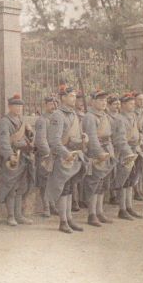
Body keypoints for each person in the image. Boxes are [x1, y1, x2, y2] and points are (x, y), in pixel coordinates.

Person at [45, 85, 88, 233]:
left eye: (75, 96)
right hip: (62, 158)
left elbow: (74, 137)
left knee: (70, 188)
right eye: (71, 96)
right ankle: (63, 221)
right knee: (63, 189)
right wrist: (65, 153)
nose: (74, 99)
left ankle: (69, 218)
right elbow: (54, 141)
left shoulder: (74, 115)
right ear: (63, 97)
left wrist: (83, 139)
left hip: (73, 156)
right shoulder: (58, 115)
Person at [0, 93, 35, 226]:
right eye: (15, 106)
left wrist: (30, 133)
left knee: (21, 187)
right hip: (12, 158)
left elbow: (28, 139)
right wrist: (9, 155)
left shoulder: (22, 121)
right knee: (11, 187)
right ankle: (10, 216)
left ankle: (19, 215)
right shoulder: (5, 121)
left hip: (24, 158)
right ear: (9, 106)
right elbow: (3, 142)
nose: (18, 109)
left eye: (20, 106)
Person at [82, 89, 116, 226]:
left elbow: (109, 135)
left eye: (105, 100)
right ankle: (91, 214)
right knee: (93, 184)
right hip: (96, 153)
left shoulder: (105, 116)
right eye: (100, 100)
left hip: (107, 150)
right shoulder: (90, 117)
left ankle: (100, 211)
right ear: (93, 102)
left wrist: (110, 152)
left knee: (102, 184)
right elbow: (92, 138)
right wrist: (99, 153)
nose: (103, 103)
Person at [111, 93, 143, 220]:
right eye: (130, 103)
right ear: (124, 105)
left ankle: (129, 207)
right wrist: (128, 153)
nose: (133, 105)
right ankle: (122, 209)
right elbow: (120, 140)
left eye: (133, 103)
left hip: (134, 150)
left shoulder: (133, 117)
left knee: (131, 181)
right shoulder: (120, 119)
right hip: (125, 154)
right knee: (123, 181)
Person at [34, 96, 58, 218]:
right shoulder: (42, 120)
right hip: (46, 156)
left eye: (55, 104)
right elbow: (40, 140)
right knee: (45, 182)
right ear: (45, 105)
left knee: (53, 181)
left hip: (56, 154)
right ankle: (46, 208)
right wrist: (48, 154)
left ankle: (53, 205)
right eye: (50, 104)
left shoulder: (56, 119)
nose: (53, 106)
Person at [133, 92, 143, 201]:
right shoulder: (132, 113)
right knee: (134, 168)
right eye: (139, 99)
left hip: (141, 141)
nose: (141, 102)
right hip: (134, 141)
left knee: (140, 167)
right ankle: (135, 191)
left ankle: (139, 189)